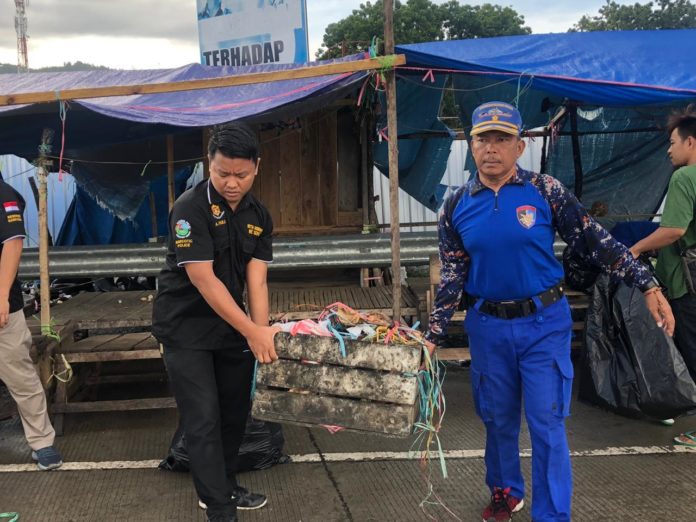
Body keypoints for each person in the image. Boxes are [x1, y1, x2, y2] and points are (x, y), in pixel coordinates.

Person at [425, 101, 675, 522]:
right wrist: (431, 336)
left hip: (544, 326)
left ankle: (553, 514)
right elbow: (452, 273)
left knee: (547, 422)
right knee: (497, 418)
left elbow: (594, 241)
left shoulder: (545, 191)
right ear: (471, 145)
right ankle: (506, 492)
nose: (491, 148)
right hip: (487, 326)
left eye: (502, 139)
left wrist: (646, 283)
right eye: (483, 139)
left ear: (519, 146)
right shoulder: (455, 205)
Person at [152, 122, 279, 522]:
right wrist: (251, 330)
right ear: (209, 163)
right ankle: (219, 510)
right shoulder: (189, 208)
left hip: (231, 327)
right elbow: (203, 280)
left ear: (256, 167)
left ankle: (224, 486)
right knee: (203, 417)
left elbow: (257, 281)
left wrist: (261, 335)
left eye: (241, 174)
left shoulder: (259, 215)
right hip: (185, 327)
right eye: (223, 173)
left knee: (234, 414)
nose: (232, 183)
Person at [629, 105, 696, 448]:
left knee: (692, 353)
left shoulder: (684, 177)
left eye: (672, 142)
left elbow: (674, 230)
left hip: (688, 284)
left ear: (691, 143)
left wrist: (636, 249)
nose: (669, 150)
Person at [0, 178, 62, 471]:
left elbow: (13, 243)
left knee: (20, 377)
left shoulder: (4, 194)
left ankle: (42, 442)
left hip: (3, 310)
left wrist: (1, 295)